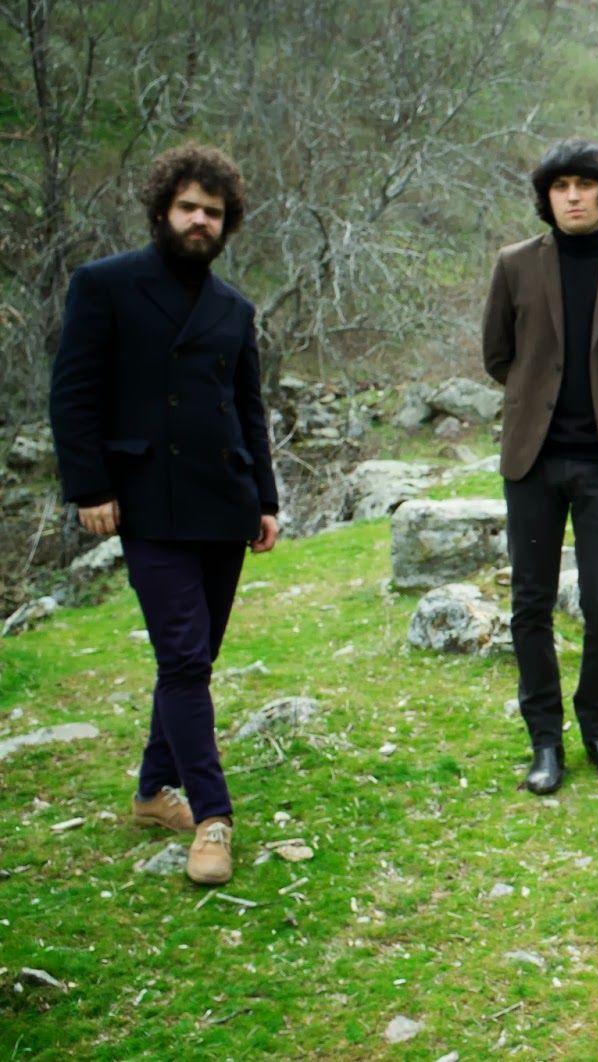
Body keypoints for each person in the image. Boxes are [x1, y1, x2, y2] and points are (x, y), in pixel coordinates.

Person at [49, 143, 279, 887]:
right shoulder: (106, 285)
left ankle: (153, 792)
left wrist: (265, 500)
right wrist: (90, 487)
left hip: (224, 503)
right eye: (187, 208)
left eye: (212, 212)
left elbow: (247, 408)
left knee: (194, 660)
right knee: (182, 659)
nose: (199, 221)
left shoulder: (233, 308)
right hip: (147, 501)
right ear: (161, 210)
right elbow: (74, 393)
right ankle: (212, 817)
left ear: (227, 222)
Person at [482, 138, 598, 796]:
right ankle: (545, 740)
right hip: (532, 462)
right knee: (530, 604)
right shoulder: (514, 265)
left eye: (584, 185)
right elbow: (498, 355)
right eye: (560, 186)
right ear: (547, 197)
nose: (572, 197)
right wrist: (536, 399)